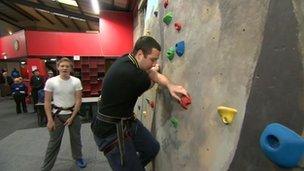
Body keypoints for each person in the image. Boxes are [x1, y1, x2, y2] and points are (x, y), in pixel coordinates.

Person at [91, 36, 190, 170]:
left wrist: (170, 85)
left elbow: (151, 73)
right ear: (139, 54)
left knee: (152, 148)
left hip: (126, 121)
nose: (154, 63)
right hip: (110, 132)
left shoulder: (127, 59)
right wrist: (159, 76)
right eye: (152, 59)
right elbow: (152, 77)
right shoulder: (132, 74)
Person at [41, 58, 87, 170]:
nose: (64, 68)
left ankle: (78, 157)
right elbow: (47, 102)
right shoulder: (51, 82)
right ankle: (46, 167)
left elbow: (78, 100)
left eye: (67, 66)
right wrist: (49, 120)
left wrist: (72, 117)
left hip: (73, 114)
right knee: (53, 143)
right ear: (58, 67)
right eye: (62, 66)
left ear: (71, 68)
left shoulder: (76, 81)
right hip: (57, 115)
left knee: (76, 138)